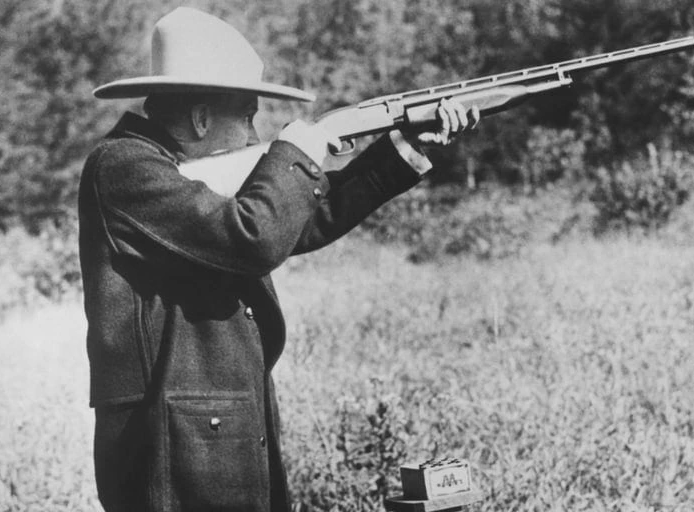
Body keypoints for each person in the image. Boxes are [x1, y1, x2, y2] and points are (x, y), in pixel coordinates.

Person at [79, 7, 478, 512]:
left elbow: (297, 223)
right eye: (247, 116)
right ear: (202, 118)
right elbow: (254, 237)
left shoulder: (173, 171)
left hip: (211, 426)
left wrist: (401, 148)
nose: (253, 135)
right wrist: (294, 150)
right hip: (170, 444)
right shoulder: (124, 166)